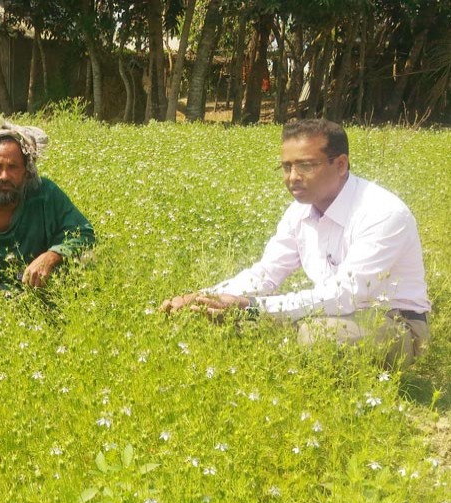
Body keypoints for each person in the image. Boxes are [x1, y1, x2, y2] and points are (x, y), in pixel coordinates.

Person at [160, 119, 430, 367]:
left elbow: (345, 295)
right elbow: (266, 273)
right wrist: (206, 298)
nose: (292, 177)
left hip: (391, 321)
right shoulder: (300, 210)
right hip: (327, 314)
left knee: (319, 337)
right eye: (287, 167)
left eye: (306, 166)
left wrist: (251, 308)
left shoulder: (382, 213)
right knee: (216, 318)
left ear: (341, 165)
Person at [0, 122, 95, 309]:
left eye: (13, 167)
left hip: (44, 291)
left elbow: (84, 234)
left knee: (89, 260)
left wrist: (51, 256)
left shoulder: (45, 195)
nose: (4, 176)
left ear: (27, 171)